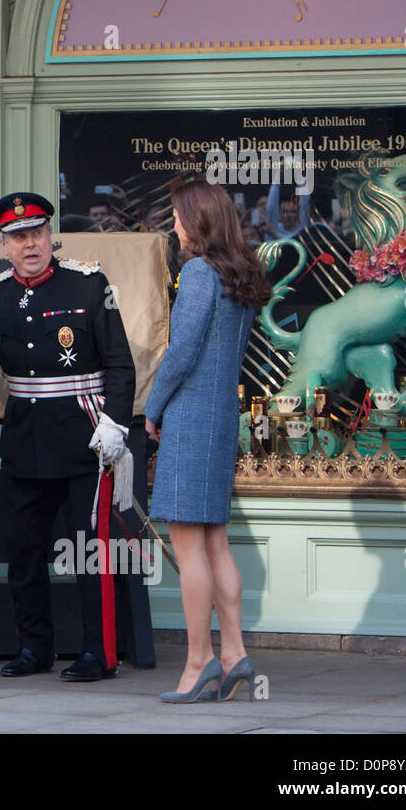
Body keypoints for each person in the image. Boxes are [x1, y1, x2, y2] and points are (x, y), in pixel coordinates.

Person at [0, 192, 136, 682]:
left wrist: (116, 423)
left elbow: (118, 362)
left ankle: (99, 654)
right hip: (26, 439)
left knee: (89, 549)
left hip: (85, 434)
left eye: (36, 233)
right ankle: (34, 648)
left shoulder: (89, 285)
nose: (29, 245)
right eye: (17, 237)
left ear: (50, 236)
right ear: (4, 245)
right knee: (24, 550)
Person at [145, 178, 271, 703]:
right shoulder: (239, 273)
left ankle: (199, 663)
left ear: (196, 220)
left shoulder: (198, 271)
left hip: (191, 419)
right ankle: (235, 652)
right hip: (221, 419)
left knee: (189, 548)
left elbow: (180, 354)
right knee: (215, 541)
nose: (172, 223)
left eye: (176, 215)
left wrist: (151, 409)